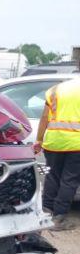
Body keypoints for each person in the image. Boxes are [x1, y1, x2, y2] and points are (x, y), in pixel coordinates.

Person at [33, 78, 80, 231]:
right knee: (70, 179)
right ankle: (59, 218)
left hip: (53, 142)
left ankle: (46, 211)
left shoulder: (55, 89)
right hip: (76, 144)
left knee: (51, 175)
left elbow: (45, 117)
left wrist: (39, 140)